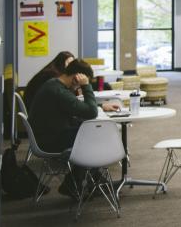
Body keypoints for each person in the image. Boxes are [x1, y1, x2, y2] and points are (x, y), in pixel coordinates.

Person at [29, 59, 120, 196]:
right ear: (77, 78)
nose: (78, 88)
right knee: (97, 136)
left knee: (92, 133)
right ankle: (75, 183)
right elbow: (90, 113)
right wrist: (86, 86)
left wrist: (101, 106)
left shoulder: (54, 85)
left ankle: (88, 181)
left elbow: (77, 107)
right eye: (83, 82)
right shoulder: (59, 91)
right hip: (50, 140)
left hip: (50, 134)